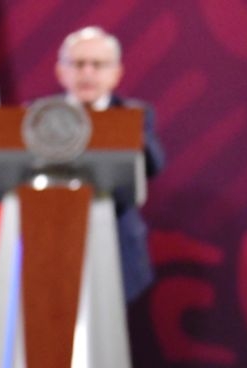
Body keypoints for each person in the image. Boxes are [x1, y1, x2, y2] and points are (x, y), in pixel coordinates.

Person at [55, 27, 165, 304]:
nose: (87, 73)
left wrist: (131, 137)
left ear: (116, 73)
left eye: (98, 64)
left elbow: (155, 164)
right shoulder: (39, 116)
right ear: (60, 71)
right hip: (53, 243)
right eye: (78, 64)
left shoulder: (133, 116)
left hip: (116, 242)